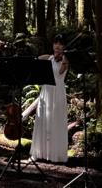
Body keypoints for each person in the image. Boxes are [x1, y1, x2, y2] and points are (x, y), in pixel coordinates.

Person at [30, 34, 70, 163]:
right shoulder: (49, 58)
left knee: (56, 121)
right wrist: (48, 57)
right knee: (43, 120)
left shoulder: (65, 59)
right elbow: (36, 60)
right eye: (55, 43)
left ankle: (56, 154)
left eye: (60, 44)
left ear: (64, 46)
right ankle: (40, 152)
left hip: (57, 91)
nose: (57, 46)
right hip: (46, 91)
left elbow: (60, 72)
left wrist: (63, 57)